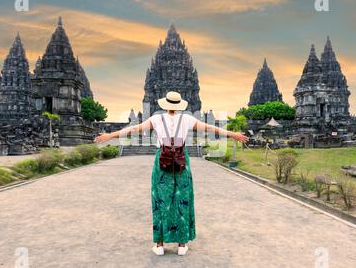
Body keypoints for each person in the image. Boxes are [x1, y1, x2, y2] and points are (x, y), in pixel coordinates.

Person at [95, 91, 248, 256]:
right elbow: (210, 128)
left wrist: (110, 135)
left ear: (165, 104)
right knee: (183, 198)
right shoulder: (187, 119)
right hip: (182, 160)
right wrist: (233, 134)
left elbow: (134, 129)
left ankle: (159, 245)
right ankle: (182, 245)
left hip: (162, 160)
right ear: (179, 104)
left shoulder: (156, 119)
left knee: (161, 199)